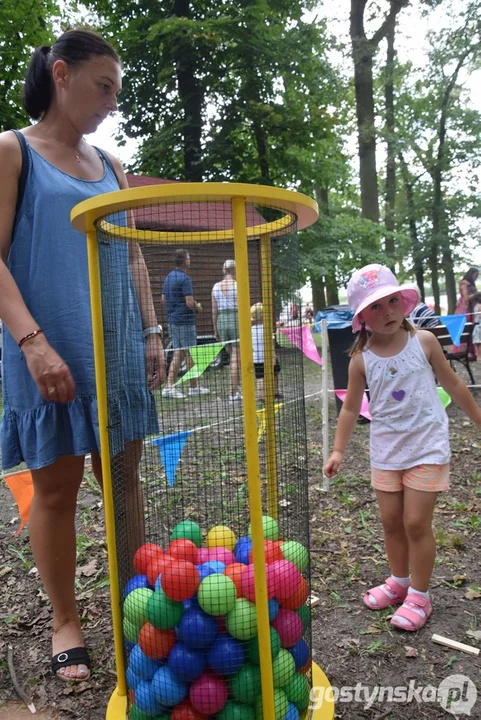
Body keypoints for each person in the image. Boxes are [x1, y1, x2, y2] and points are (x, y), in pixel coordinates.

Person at [0, 30, 165, 681]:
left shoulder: (113, 167)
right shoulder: (13, 151)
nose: (111, 103)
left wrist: (151, 334)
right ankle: (66, 620)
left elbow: (131, 255)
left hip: (117, 347)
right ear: (62, 75)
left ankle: (134, 608)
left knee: (123, 480)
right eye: (103, 87)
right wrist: (33, 345)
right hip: (46, 345)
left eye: (117, 92)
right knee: (57, 488)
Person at [323, 264, 481, 631]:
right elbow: (350, 408)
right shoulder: (360, 359)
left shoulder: (423, 342)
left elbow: (455, 385)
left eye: (393, 301)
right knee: (391, 522)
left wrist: (478, 420)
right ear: (362, 316)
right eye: (376, 307)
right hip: (386, 452)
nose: (388, 311)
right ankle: (400, 582)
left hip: (427, 446)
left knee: (414, 522)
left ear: (403, 302)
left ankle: (421, 597)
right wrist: (338, 450)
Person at [162, 249, 209, 399]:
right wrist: (197, 307)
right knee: (189, 353)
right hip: (185, 321)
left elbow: (163, 299)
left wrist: (174, 308)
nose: (190, 260)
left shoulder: (169, 277)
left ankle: (176, 386)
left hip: (173, 320)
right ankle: (186, 387)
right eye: (189, 258)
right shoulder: (185, 279)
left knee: (180, 352)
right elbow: (189, 302)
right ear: (185, 261)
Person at [212, 259, 241, 402]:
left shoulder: (215, 287)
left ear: (224, 270)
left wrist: (215, 328)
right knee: (236, 357)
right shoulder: (238, 286)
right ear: (235, 270)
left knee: (232, 356)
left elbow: (214, 310)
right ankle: (233, 392)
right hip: (235, 318)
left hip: (222, 320)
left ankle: (236, 386)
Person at [251, 303, 282, 402]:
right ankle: (274, 392)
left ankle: (261, 396)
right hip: (269, 356)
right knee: (275, 374)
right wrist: (274, 357)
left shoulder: (250, 330)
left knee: (260, 377)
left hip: (256, 357)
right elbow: (271, 344)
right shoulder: (266, 329)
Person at [471, 293, 481, 360]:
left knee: (477, 342)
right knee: (480, 342)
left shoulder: (475, 306)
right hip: (480, 326)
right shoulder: (480, 306)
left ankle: (478, 355)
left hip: (476, 326)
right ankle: (480, 356)